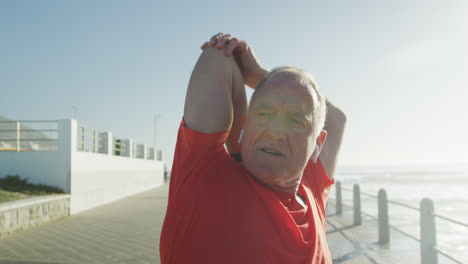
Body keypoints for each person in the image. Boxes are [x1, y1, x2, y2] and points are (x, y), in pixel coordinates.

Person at [160, 33, 346, 264]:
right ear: (245, 123)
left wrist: (261, 75)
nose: (275, 131)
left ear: (318, 143)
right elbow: (218, 57)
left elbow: (337, 119)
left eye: (296, 121)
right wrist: (268, 79)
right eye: (264, 114)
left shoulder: (313, 191)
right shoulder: (205, 174)